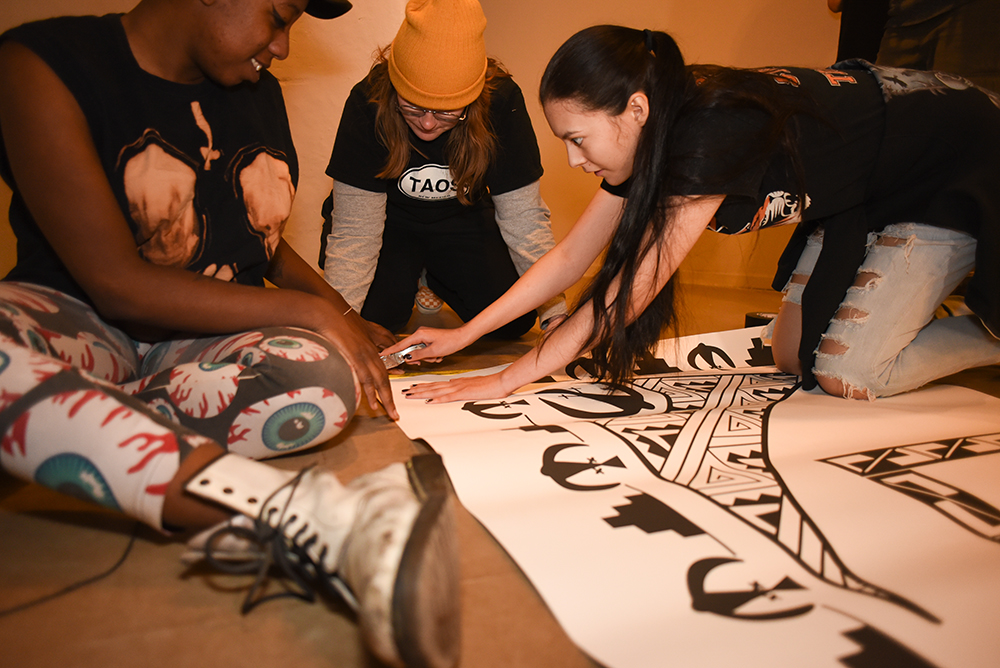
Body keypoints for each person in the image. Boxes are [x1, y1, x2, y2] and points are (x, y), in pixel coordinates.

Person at [0, 1, 459, 666]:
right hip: (75, 317)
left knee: (321, 377)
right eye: (277, 16)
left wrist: (340, 313)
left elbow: (263, 248)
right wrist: (312, 313)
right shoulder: (41, 64)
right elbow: (114, 283)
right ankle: (304, 517)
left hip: (193, 345)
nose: (280, 46)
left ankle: (73, 426)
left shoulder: (257, 95)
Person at [387, 24, 1000, 404]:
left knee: (848, 375)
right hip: (860, 188)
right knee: (793, 357)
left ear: (633, 109)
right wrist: (466, 336)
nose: (574, 161)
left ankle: (990, 336)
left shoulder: (706, 136)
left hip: (950, 161)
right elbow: (571, 258)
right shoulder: (652, 133)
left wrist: (503, 380)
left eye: (578, 139)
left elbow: (629, 291)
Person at [319, 0, 567, 337]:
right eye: (412, 106)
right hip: (390, 222)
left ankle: (433, 275)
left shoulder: (503, 100)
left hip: (462, 218)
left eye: (447, 111)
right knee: (375, 320)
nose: (427, 122)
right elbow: (355, 232)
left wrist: (554, 312)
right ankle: (410, 275)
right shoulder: (368, 101)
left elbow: (524, 217)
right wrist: (340, 324)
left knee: (514, 321)